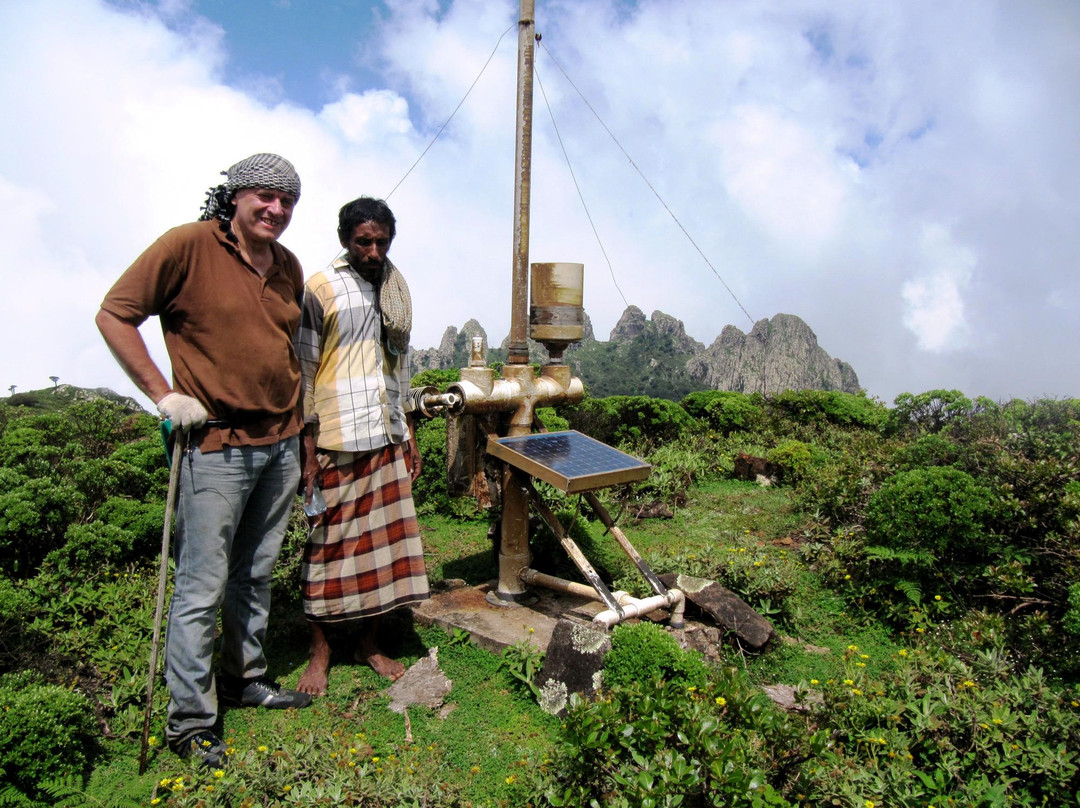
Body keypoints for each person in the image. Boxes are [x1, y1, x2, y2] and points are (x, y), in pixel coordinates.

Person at [96, 153, 313, 769]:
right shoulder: (187, 246)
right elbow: (115, 314)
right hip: (213, 446)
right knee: (201, 585)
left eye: (288, 201)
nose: (276, 209)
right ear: (235, 196)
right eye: (265, 196)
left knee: (256, 572)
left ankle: (246, 678)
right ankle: (191, 721)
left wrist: (299, 432)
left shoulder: (288, 265)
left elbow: (287, 350)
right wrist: (164, 395)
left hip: (278, 444)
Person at [294, 196, 429, 696]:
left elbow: (400, 366)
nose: (373, 251)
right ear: (345, 240)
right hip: (337, 437)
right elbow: (303, 370)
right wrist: (308, 451)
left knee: (384, 547)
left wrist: (408, 431)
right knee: (327, 546)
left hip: (386, 433)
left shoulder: (395, 289)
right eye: (363, 241)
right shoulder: (321, 288)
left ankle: (368, 644)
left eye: (381, 241)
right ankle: (320, 649)